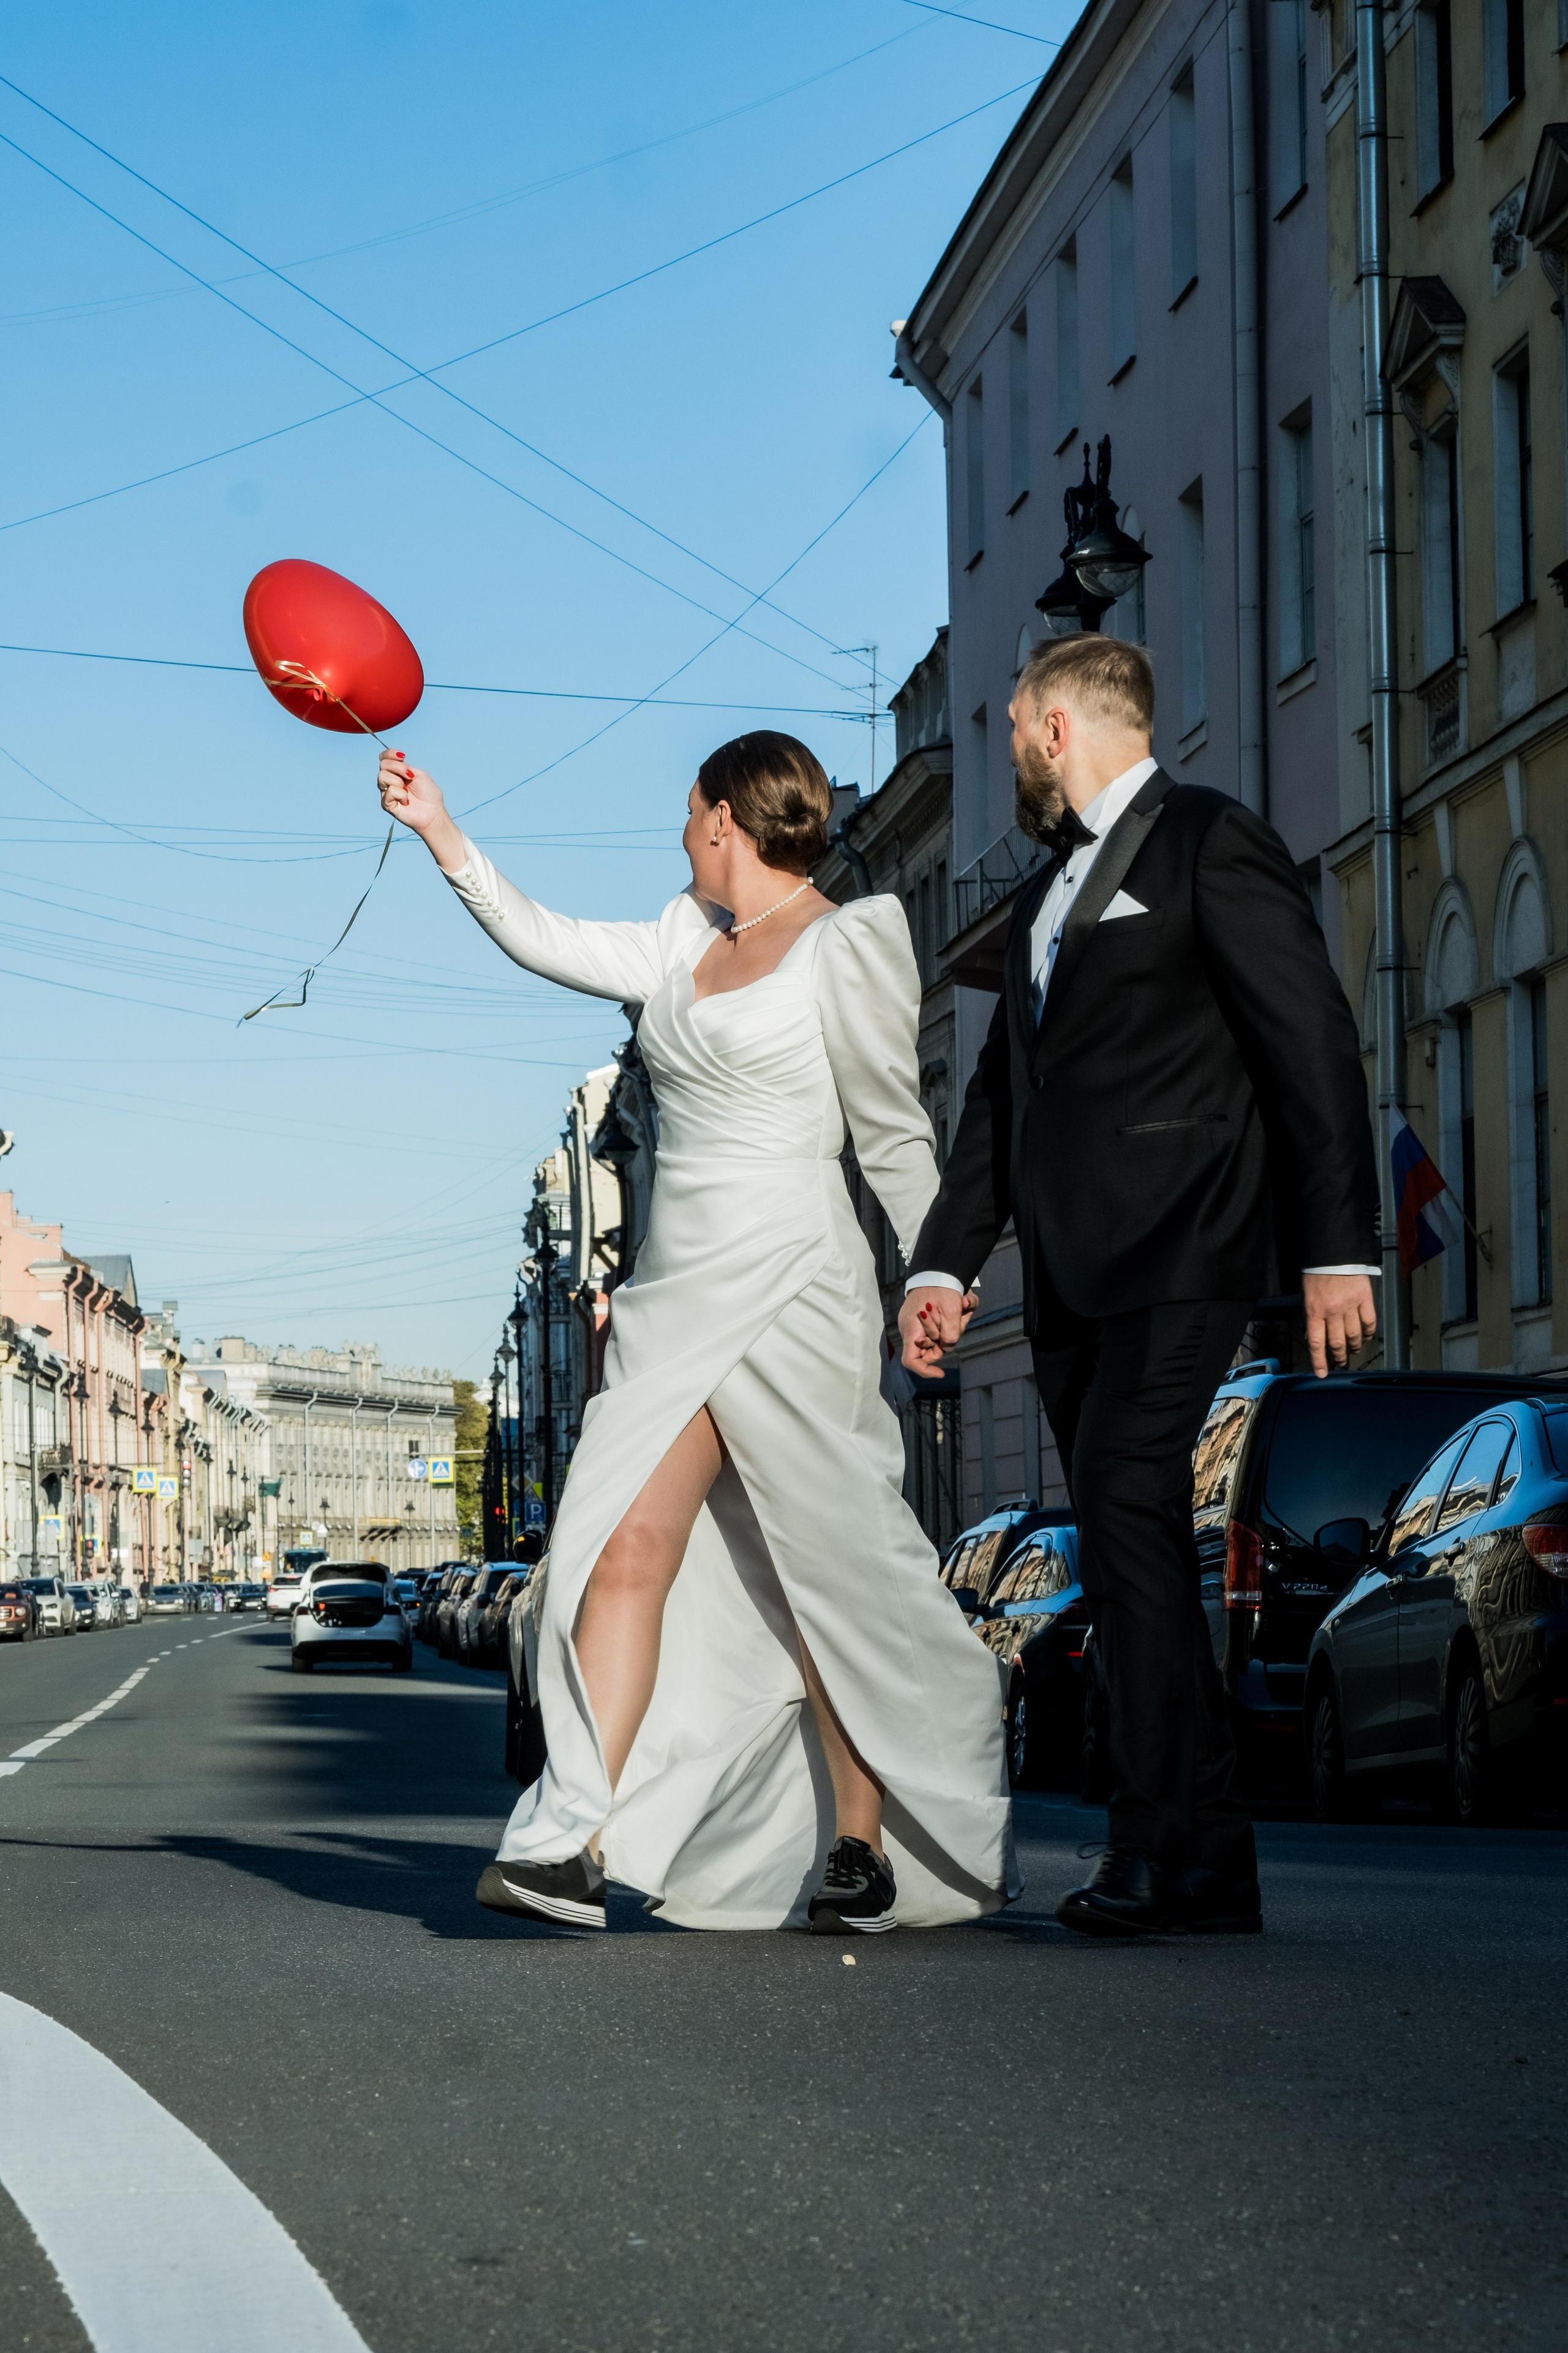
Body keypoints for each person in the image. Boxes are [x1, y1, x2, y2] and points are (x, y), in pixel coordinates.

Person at [379, 732, 1014, 1934]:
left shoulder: (848, 940)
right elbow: (546, 937)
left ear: (726, 818)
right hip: (675, 1294)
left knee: (826, 1570)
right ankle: (572, 1838)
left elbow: (891, 1131)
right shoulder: (680, 936)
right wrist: (441, 834)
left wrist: (936, 1273)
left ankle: (860, 1841)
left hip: (795, 1284)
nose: (679, 832)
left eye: (688, 812)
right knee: (619, 1545)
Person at [899, 635, 1379, 1940]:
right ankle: (1205, 1858)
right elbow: (1002, 1104)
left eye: (1012, 726)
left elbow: (1309, 1036)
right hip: (1068, 1279)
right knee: (1129, 1548)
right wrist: (943, 1261)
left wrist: (1337, 1245)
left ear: (1058, 727)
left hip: (1184, 1249)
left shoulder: (1207, 841)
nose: (1007, 746)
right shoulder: (1043, 898)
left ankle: (1153, 1845)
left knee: (1120, 1503)